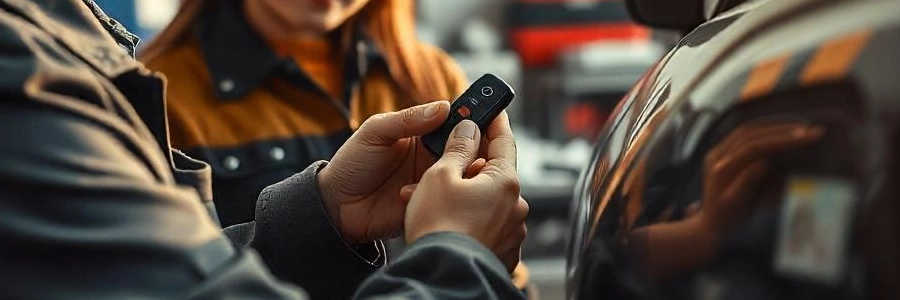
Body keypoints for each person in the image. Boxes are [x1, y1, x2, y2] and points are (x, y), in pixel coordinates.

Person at [0, 1, 528, 299]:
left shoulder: (424, 72)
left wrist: (322, 219)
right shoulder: (36, 71)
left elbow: (186, 268)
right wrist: (463, 255)